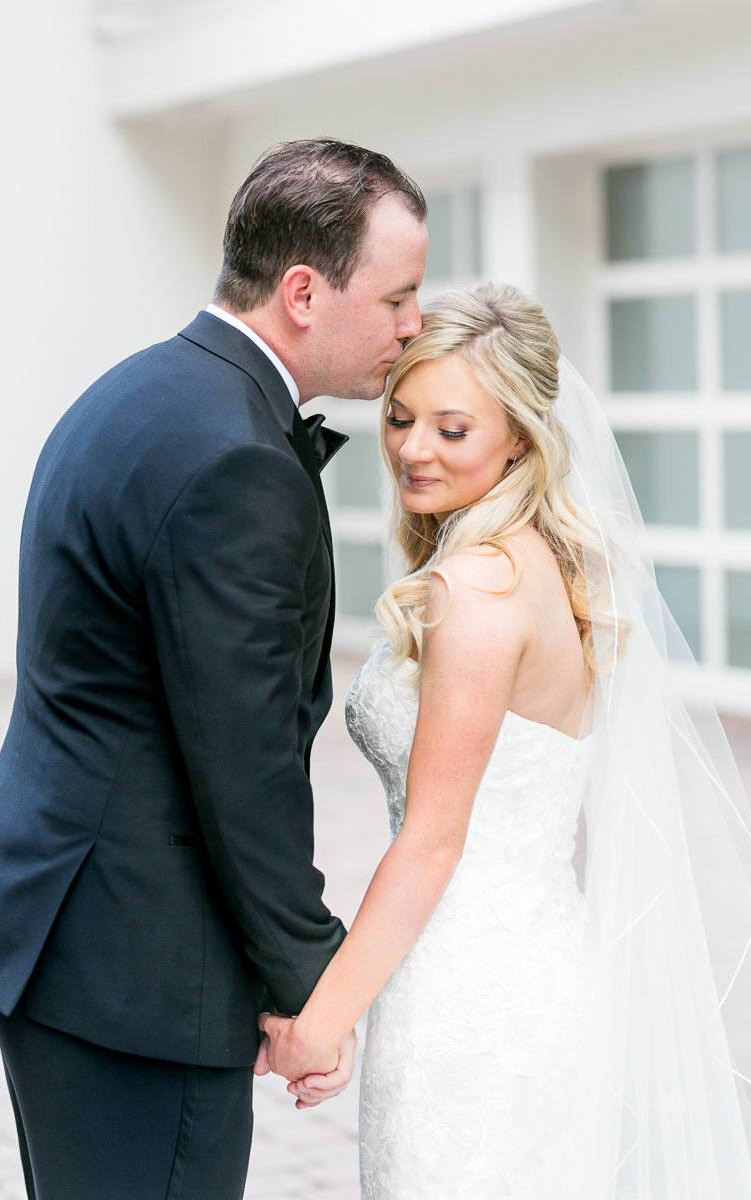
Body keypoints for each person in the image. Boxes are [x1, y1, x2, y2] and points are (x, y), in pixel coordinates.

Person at [0, 138, 428, 1200]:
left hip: (49, 920)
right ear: (304, 291)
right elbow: (242, 766)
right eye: (398, 296)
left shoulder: (144, 389)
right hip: (131, 969)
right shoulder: (238, 460)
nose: (411, 324)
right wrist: (313, 984)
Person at [258, 283, 751, 1197]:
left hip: (467, 999)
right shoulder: (545, 562)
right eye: (401, 417)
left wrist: (322, 1020)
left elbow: (435, 839)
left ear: (521, 435)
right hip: (534, 961)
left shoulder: (474, 589)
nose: (412, 448)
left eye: (453, 429)